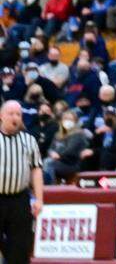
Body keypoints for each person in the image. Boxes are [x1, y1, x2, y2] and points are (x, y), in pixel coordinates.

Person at [0, 100, 43, 264]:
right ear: (1, 116)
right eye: (11, 114)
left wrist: (39, 199)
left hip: (19, 199)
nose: (15, 117)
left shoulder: (29, 140)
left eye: (18, 114)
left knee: (20, 248)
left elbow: (36, 169)